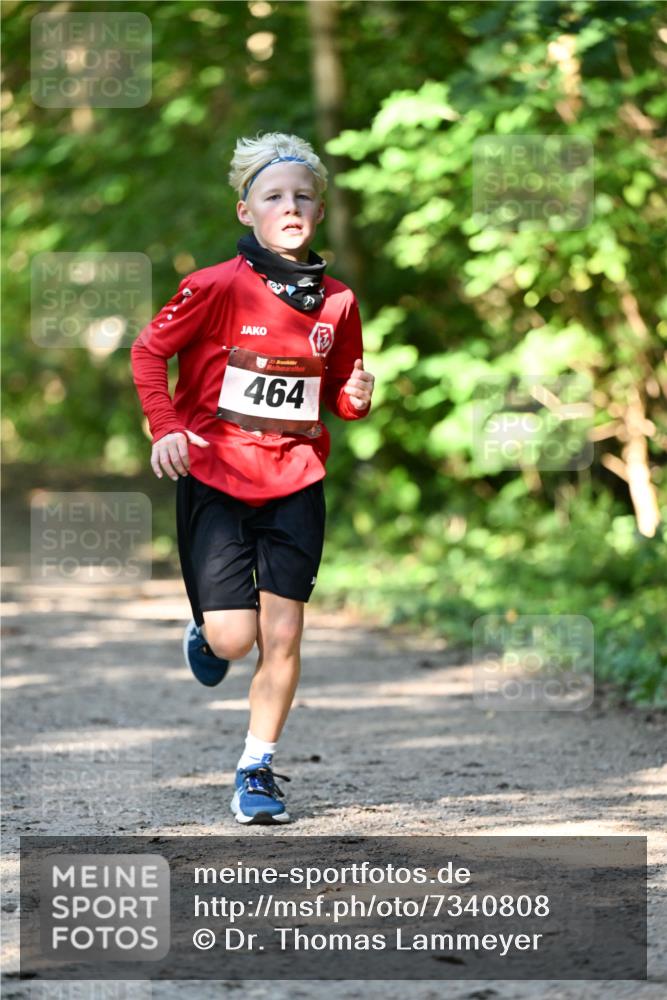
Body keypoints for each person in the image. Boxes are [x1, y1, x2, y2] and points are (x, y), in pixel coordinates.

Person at [130, 132, 375, 825]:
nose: (289, 206)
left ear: (319, 213)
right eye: (273, 196)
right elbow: (149, 352)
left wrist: (358, 394)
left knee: (284, 635)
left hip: (296, 480)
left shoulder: (337, 303)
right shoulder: (211, 287)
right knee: (235, 640)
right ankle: (207, 632)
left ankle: (256, 768)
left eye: (303, 196)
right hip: (215, 473)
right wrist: (165, 426)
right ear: (246, 211)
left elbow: (342, 399)